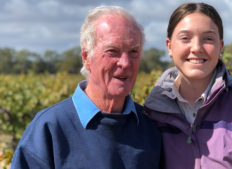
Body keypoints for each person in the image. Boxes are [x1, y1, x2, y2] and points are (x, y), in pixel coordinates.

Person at [11, 6, 161, 169]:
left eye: (133, 51)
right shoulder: (49, 128)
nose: (125, 63)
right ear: (86, 57)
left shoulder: (152, 128)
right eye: (112, 51)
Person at [144, 2, 232, 169]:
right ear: (169, 46)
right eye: (185, 38)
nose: (196, 48)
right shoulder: (152, 112)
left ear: (220, 47)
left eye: (208, 38)